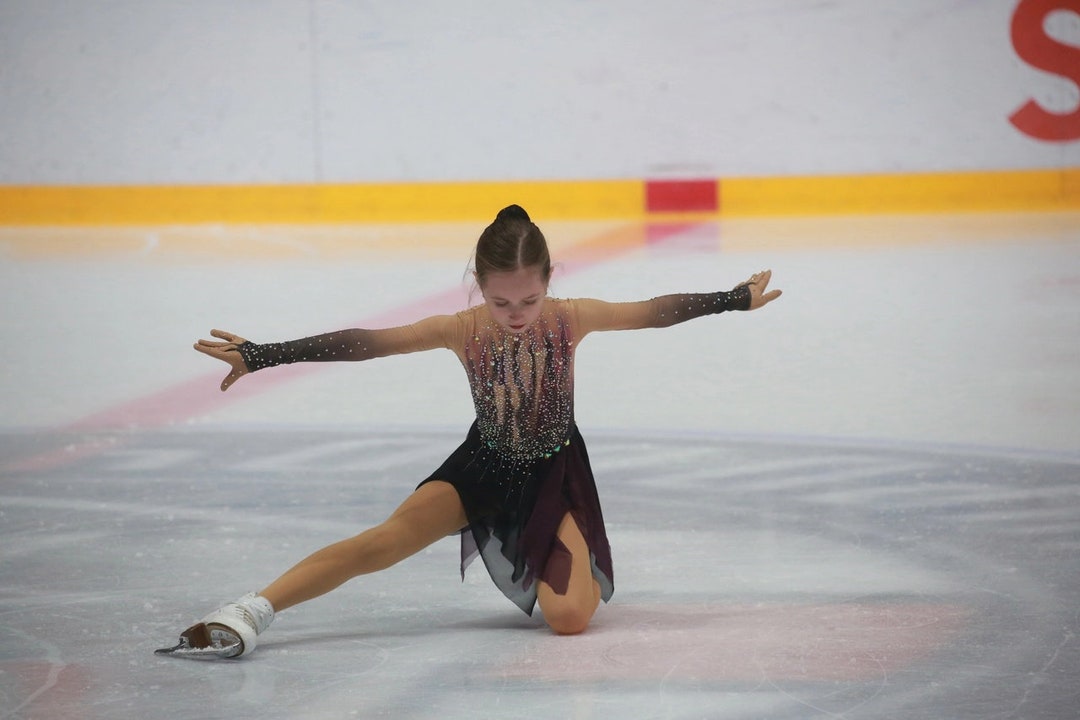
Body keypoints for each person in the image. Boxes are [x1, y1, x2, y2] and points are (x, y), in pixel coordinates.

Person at [158, 204, 781, 658]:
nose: (516, 317)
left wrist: (731, 299)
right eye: (503, 302)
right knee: (383, 541)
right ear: (480, 287)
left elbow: (652, 313)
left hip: (552, 474)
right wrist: (266, 354)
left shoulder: (572, 319)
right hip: (481, 467)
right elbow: (365, 344)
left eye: (529, 301)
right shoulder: (462, 328)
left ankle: (572, 550)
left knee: (567, 620)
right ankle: (250, 610)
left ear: (548, 284)